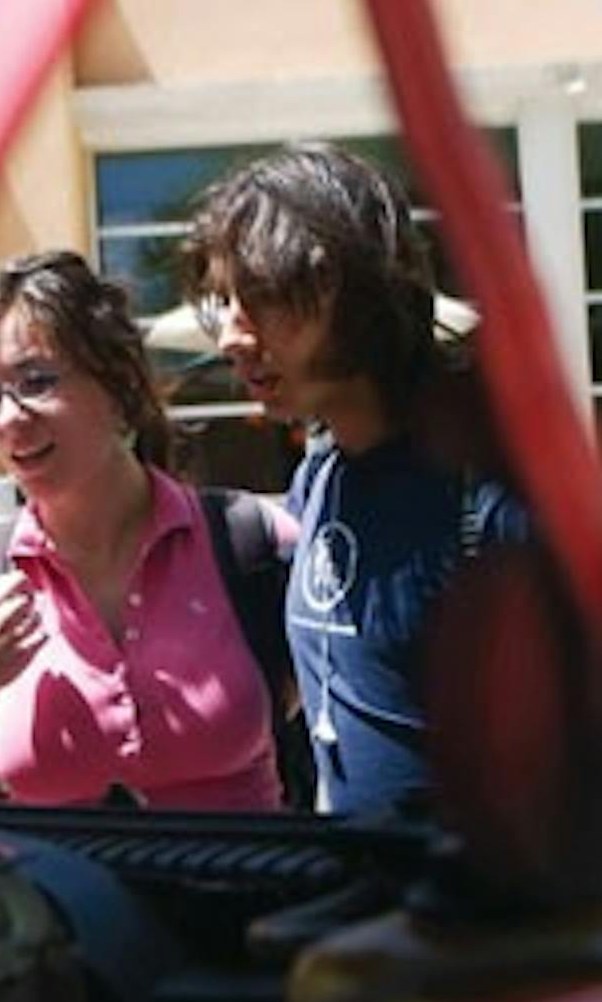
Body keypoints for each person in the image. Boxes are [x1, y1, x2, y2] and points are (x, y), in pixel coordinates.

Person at [183, 143, 530, 818]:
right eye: (223, 302)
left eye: (257, 298)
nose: (229, 335)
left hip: (495, 919)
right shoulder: (318, 480)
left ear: (355, 291)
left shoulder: (493, 493)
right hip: (365, 909)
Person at [0, 250, 298, 810]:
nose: (10, 417)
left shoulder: (256, 547)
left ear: (119, 385)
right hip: (57, 898)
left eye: (35, 381)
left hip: (258, 895)